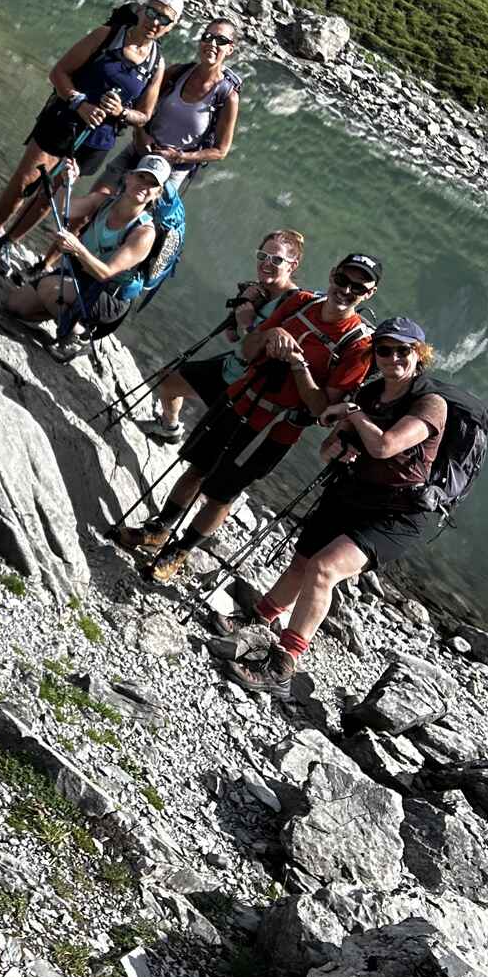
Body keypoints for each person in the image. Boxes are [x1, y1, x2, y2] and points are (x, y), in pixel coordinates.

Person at [116, 252, 380, 584]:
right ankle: (159, 529)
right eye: (342, 280)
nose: (346, 290)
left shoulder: (358, 346)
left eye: (358, 287)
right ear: (332, 274)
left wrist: (298, 364)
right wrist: (271, 335)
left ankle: (180, 551)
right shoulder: (300, 302)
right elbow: (247, 349)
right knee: (197, 467)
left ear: (369, 294)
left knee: (222, 493)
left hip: (273, 429)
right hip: (238, 399)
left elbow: (321, 410)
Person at [222, 319, 448, 698]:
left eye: (403, 350)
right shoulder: (373, 392)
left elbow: (385, 446)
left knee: (324, 569)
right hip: (351, 491)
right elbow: (328, 446)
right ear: (375, 355)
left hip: (396, 513)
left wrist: (354, 414)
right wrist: (338, 446)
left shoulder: (430, 403)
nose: (393, 357)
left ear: (419, 354)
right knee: (302, 562)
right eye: (384, 350)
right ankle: (259, 620)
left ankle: (282, 665)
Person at [0, 0, 181, 276]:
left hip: (97, 139)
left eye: (164, 19)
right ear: (142, 9)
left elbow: (144, 115)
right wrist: (80, 103)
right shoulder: (107, 35)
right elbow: (59, 72)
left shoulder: (156, 63)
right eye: (152, 12)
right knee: (28, 179)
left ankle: (9, 242)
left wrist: (121, 112)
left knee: (51, 194)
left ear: (171, 27)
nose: (155, 21)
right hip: (63, 119)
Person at [140, 229, 307, 445]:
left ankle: (172, 430)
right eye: (262, 256)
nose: (266, 263)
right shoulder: (259, 290)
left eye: (277, 259)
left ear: (292, 266)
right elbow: (231, 336)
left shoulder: (294, 305)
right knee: (167, 380)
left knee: (205, 444)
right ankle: (169, 427)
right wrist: (242, 304)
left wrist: (247, 322)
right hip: (231, 367)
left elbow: (260, 354)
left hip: (245, 384)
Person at [1, 154, 169, 362]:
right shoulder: (103, 202)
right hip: (80, 276)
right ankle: (67, 316)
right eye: (142, 176)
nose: (144, 185)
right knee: (15, 306)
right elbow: (64, 208)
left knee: (48, 287)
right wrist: (67, 183)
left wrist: (77, 249)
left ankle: (79, 336)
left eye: (153, 183)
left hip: (107, 296)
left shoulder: (144, 233)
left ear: (157, 193)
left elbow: (106, 273)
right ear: (128, 177)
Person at [92, 17, 241, 198]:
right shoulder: (177, 73)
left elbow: (220, 151)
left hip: (172, 171)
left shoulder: (227, 97)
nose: (212, 44)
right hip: (139, 150)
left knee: (137, 214)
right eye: (207, 37)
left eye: (221, 40)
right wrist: (140, 134)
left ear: (230, 49)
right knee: (97, 199)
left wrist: (180, 157)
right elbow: (142, 107)